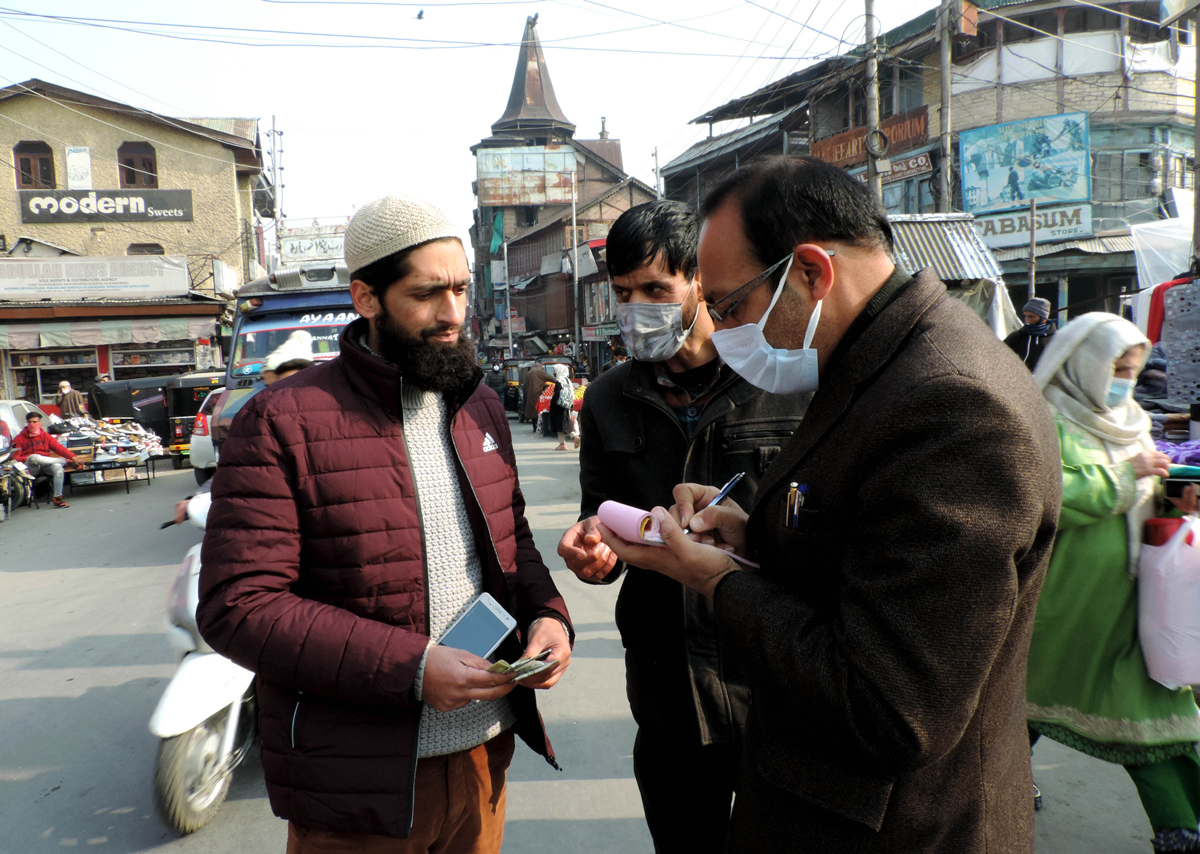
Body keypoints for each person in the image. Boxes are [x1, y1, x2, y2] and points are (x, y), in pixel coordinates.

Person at [598, 155, 1061, 853]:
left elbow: (891, 706)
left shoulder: (950, 401)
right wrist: (754, 537)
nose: (722, 332)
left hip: (887, 826)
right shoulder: (878, 364)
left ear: (811, 272)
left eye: (730, 305)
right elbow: (863, 551)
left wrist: (717, 582)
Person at [197, 194, 573, 853]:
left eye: (459, 289)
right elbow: (240, 606)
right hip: (357, 793)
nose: (453, 313)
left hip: (484, 757)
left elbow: (513, 548)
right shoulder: (283, 421)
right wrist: (414, 668)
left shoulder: (480, 406)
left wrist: (548, 615)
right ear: (366, 297)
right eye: (428, 294)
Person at [557, 200, 808, 853]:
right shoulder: (610, 397)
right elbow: (602, 510)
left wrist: (768, 532)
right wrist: (593, 547)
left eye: (655, 289)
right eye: (623, 292)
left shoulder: (780, 379)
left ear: (700, 281)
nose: (637, 305)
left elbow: (819, 504)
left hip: (773, 680)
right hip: (667, 690)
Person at [1026, 313, 1200, 854]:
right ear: (1083, 363)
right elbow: (1050, 497)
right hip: (1066, 604)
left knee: (1156, 716)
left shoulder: (1128, 417)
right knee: (1025, 705)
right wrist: (1129, 477)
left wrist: (1172, 491)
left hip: (1131, 602)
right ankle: (990, 785)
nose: (1125, 378)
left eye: (1133, 367)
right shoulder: (1042, 422)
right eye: (1117, 367)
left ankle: (1185, 829)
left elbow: (1144, 480)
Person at [12, 411, 79, 508]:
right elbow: (15, 457)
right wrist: (28, 458)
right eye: (29, 422)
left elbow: (59, 448)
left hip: (45, 465)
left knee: (58, 468)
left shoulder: (45, 437)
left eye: (34, 422)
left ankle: (57, 498)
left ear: (40, 423)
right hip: (30, 469)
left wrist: (73, 456)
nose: (32, 424)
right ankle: (64, 461)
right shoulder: (19, 438)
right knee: (34, 457)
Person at [1005, 297, 1056, 370]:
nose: (1027, 321)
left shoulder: (1055, 339)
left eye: (1031, 317)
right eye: (1025, 316)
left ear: (1044, 318)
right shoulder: (1016, 337)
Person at [547, 363, 576, 450]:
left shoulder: (559, 381)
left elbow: (557, 394)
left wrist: (553, 404)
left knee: (559, 424)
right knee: (565, 423)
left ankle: (563, 444)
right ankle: (574, 438)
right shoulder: (567, 380)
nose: (554, 372)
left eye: (555, 370)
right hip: (566, 405)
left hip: (559, 406)